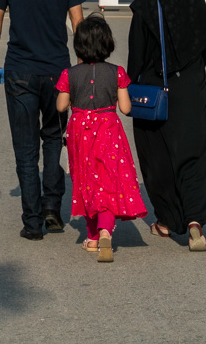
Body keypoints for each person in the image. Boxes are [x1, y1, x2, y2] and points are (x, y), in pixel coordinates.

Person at [0, 0, 85, 240]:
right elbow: (79, 23)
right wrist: (82, 64)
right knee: (54, 139)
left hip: (20, 71)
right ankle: (53, 209)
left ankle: (32, 221)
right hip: (58, 71)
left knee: (25, 149)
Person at [129, 0, 206, 252]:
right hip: (192, 90)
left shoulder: (146, 6)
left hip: (155, 93)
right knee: (194, 154)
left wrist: (128, 86)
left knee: (159, 157)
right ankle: (194, 221)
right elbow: (204, 51)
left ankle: (166, 221)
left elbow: (136, 58)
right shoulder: (196, 5)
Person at [56, 14, 146, 263]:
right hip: (108, 129)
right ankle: (107, 230)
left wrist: (73, 94)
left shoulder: (69, 74)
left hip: (80, 131)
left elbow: (61, 106)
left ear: (79, 46)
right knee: (107, 180)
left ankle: (93, 236)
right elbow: (126, 109)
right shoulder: (117, 72)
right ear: (107, 44)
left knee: (86, 181)